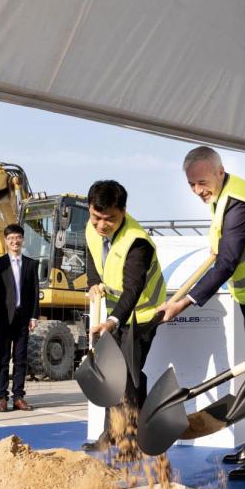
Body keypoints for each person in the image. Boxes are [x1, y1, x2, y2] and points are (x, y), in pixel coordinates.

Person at [160, 146, 245, 480]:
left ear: (220, 172)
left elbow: (227, 262)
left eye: (202, 182)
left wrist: (184, 302)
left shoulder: (239, 204)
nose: (197, 190)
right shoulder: (221, 200)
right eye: (192, 185)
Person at [81, 180, 166, 451]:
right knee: (110, 373)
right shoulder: (91, 229)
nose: (102, 225)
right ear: (90, 209)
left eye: (110, 219)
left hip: (142, 314)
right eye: (97, 217)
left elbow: (133, 289)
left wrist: (113, 321)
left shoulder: (137, 243)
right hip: (116, 314)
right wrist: (93, 282)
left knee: (127, 375)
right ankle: (112, 433)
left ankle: (130, 440)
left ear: (124, 212)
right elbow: (93, 259)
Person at [0, 223, 39, 412]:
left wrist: (34, 316)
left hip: (23, 319)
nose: (14, 241)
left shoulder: (31, 264)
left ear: (23, 240)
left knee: (20, 359)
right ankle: (2, 397)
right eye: (10, 239)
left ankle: (18, 396)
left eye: (18, 238)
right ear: (6, 241)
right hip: (4, 318)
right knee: (3, 359)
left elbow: (35, 292)